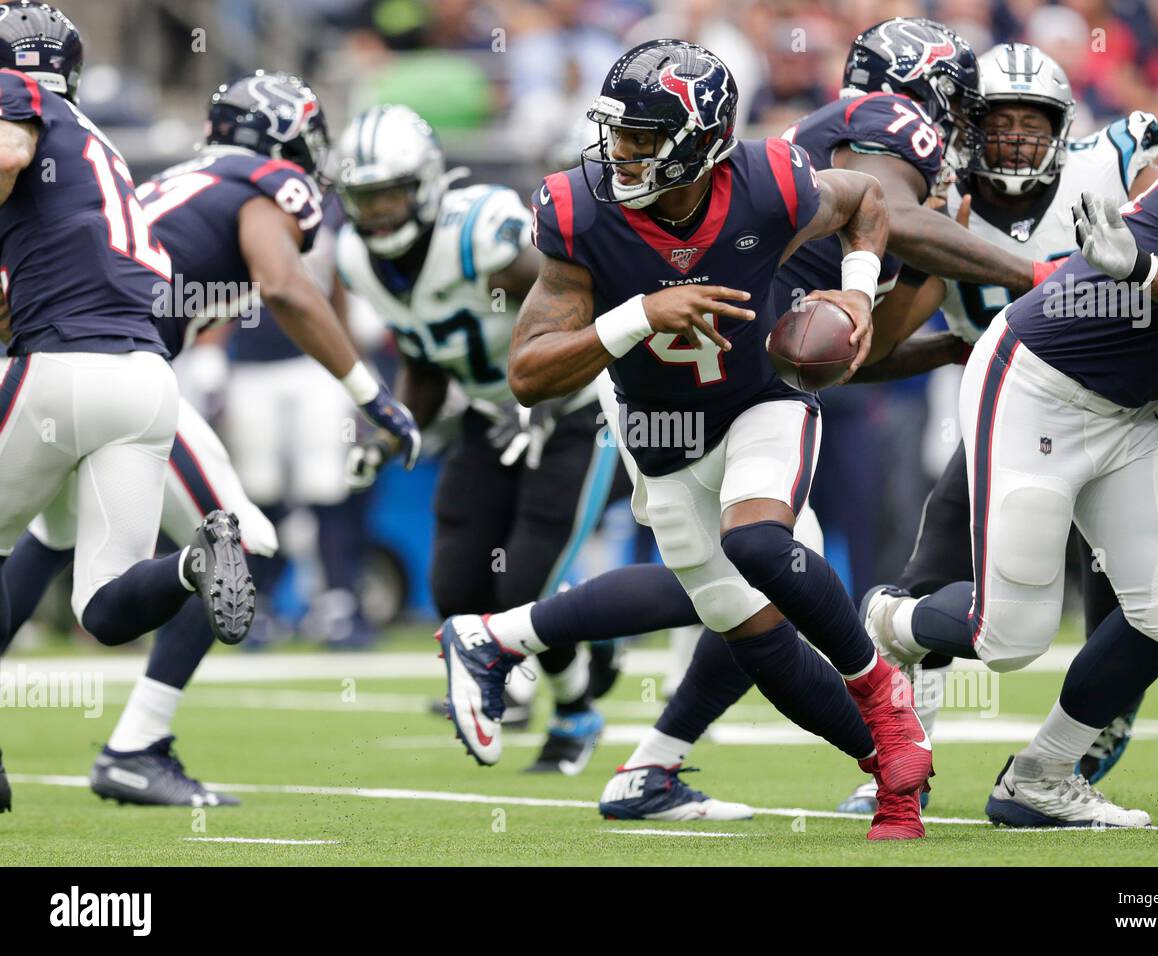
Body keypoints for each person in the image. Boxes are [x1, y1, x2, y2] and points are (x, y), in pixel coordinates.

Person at [438, 37, 935, 841]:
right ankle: (893, 770)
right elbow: (529, 373)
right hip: (658, 434)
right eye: (617, 131)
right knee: (763, 647)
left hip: (760, 400)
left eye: (641, 138)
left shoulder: (768, 182)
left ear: (703, 143)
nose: (619, 153)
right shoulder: (580, 210)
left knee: (761, 546)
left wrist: (856, 297)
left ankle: (881, 693)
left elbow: (865, 204)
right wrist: (640, 315)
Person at [863, 12, 1158, 830]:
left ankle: (1041, 775)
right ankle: (892, 619)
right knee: (1011, 634)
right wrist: (1149, 269)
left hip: (1137, 403)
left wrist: (1149, 267)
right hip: (1041, 379)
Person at [2, 70, 419, 807]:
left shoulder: (174, 178)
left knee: (50, 536)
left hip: (62, 363)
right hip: (124, 372)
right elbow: (285, 283)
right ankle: (137, 746)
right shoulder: (260, 181)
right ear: (285, 137)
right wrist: (372, 393)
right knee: (242, 542)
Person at [336, 104, 619, 774]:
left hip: (573, 409)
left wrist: (548, 394)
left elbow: (581, 295)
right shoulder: (359, 261)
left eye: (390, 194)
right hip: (491, 413)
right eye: (364, 198)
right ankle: (589, 646)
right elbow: (426, 358)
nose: (377, 214)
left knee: (523, 583)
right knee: (458, 583)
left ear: (428, 183)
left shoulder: (479, 232)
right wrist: (388, 432)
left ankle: (577, 713)